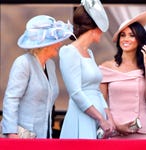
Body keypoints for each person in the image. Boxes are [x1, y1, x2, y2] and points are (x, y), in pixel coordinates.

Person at [1, 15, 73, 138]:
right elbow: (11, 99)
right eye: (56, 40)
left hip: (43, 136)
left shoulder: (50, 65)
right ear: (45, 45)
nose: (60, 43)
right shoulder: (23, 63)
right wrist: (12, 134)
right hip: (22, 137)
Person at [59, 0, 114, 139]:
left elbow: (97, 90)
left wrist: (108, 117)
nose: (102, 33)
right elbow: (76, 92)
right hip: (81, 117)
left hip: (97, 119)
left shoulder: (89, 53)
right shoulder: (69, 52)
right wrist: (100, 118)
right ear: (94, 28)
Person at [99, 10, 146, 139]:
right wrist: (115, 125)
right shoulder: (106, 67)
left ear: (139, 40)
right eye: (123, 35)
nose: (126, 39)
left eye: (131, 35)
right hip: (115, 131)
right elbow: (101, 103)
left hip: (143, 132)